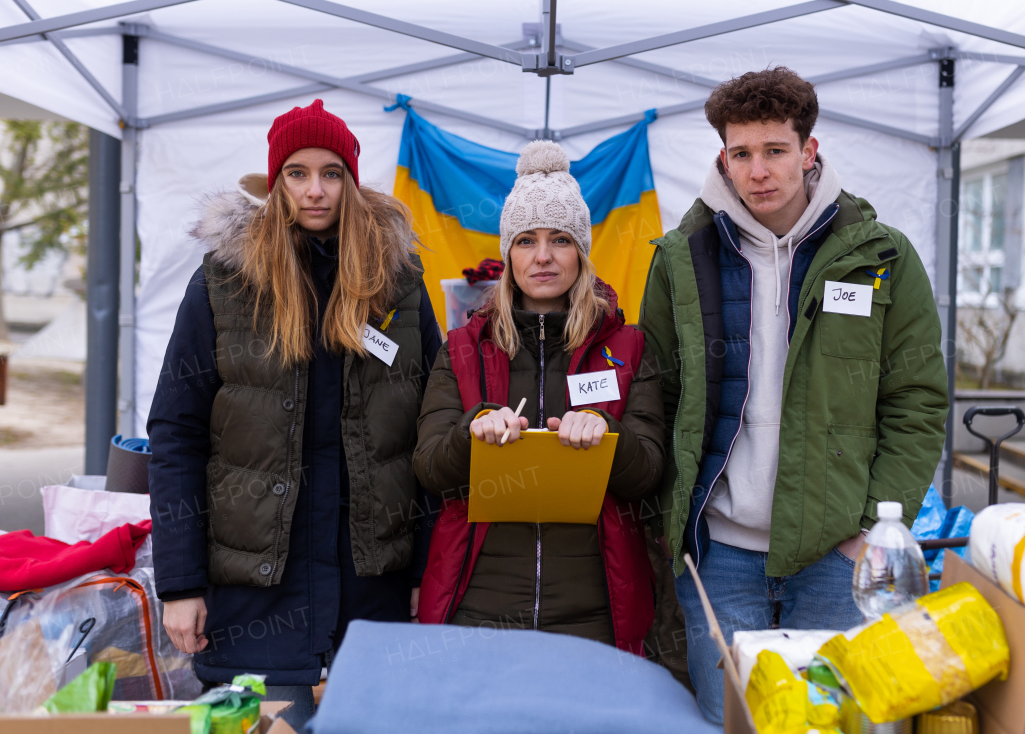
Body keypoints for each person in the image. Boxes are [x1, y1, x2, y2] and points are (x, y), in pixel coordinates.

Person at [638, 67, 950, 721]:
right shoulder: (679, 259)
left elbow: (916, 403)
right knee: (729, 720)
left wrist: (868, 525)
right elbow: (656, 394)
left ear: (809, 151)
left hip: (838, 556)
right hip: (718, 554)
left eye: (775, 150)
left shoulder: (881, 258)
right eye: (742, 153)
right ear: (722, 156)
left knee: (840, 720)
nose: (758, 170)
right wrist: (675, 525)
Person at [147, 99, 442, 729]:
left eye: (331, 173)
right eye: (297, 173)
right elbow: (176, 433)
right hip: (254, 595)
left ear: (352, 183)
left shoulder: (399, 283)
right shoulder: (224, 282)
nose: (315, 190)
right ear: (276, 182)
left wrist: (426, 571)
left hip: (371, 589)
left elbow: (432, 429)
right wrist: (179, 584)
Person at [414, 141, 665, 654]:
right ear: (508, 253)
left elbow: (651, 472)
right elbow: (428, 468)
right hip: (480, 603)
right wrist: (472, 431)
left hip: (594, 609)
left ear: (583, 252)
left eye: (561, 239)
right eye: (526, 240)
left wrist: (607, 433)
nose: (544, 256)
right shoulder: (463, 349)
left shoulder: (628, 346)